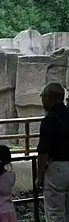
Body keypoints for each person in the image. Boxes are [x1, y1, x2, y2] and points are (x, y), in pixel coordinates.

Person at [36, 82, 69, 221]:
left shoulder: (49, 120)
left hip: (57, 169)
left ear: (49, 96)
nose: (42, 99)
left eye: (42, 95)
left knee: (55, 212)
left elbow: (43, 152)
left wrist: (40, 176)